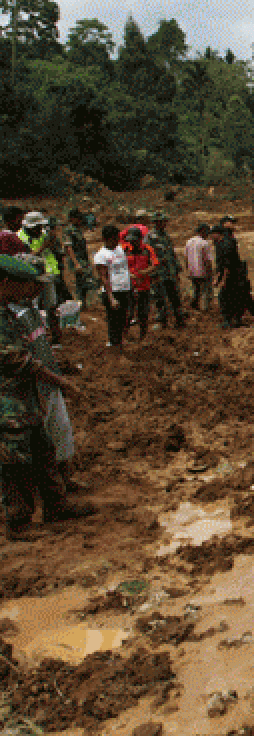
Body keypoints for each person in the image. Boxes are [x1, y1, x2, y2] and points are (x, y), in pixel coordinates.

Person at [0, 255, 93, 539]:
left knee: (44, 451)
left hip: (25, 397)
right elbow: (17, 360)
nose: (31, 290)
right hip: (8, 401)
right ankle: (19, 523)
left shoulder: (12, 311)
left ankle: (57, 505)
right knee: (15, 464)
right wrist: (60, 381)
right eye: (25, 284)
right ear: (6, 283)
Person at [18, 213, 62, 344]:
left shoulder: (42, 234)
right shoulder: (21, 238)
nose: (40, 230)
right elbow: (25, 258)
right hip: (31, 279)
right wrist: (44, 246)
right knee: (33, 309)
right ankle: (36, 339)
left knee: (52, 306)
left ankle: (55, 337)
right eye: (38, 227)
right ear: (31, 227)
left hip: (47, 276)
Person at [214, 219, 254, 328]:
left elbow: (227, 264)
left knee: (235, 298)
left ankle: (233, 320)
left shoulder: (227, 241)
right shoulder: (225, 241)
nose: (233, 225)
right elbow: (223, 263)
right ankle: (241, 318)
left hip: (235, 275)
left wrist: (222, 279)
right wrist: (219, 277)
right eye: (230, 222)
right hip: (235, 275)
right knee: (239, 298)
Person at [93, 226, 132, 348]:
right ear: (105, 239)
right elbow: (103, 278)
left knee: (124, 317)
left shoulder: (120, 249)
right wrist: (111, 297)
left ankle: (121, 340)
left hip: (125, 288)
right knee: (113, 319)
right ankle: (114, 343)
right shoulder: (101, 255)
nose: (116, 241)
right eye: (113, 239)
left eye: (117, 238)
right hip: (113, 291)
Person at [147, 212, 186, 328]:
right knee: (159, 297)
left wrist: (177, 267)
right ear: (156, 222)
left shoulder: (165, 236)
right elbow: (148, 255)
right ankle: (162, 320)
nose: (165, 223)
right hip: (159, 273)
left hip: (170, 272)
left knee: (174, 296)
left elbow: (172, 253)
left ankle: (179, 319)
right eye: (163, 221)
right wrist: (152, 273)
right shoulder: (150, 237)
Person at [122, 227, 158, 342]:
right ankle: (125, 335)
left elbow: (155, 264)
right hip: (128, 286)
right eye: (130, 240)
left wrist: (144, 272)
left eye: (134, 240)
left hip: (144, 286)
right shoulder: (125, 250)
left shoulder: (148, 249)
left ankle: (143, 335)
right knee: (128, 311)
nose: (132, 243)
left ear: (140, 239)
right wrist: (128, 274)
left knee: (143, 312)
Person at [63, 209, 93, 309]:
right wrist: (76, 263)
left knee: (85, 281)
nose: (79, 220)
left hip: (83, 259)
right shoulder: (69, 231)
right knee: (80, 281)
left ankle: (83, 302)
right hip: (77, 260)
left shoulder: (78, 230)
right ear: (72, 219)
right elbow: (69, 248)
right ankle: (80, 302)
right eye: (77, 218)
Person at [185, 224, 215, 312]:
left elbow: (185, 257)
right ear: (203, 232)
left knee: (196, 289)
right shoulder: (204, 243)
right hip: (202, 271)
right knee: (206, 290)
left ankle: (195, 305)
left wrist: (188, 269)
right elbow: (207, 260)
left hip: (192, 270)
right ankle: (205, 308)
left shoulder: (189, 241)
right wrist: (210, 272)